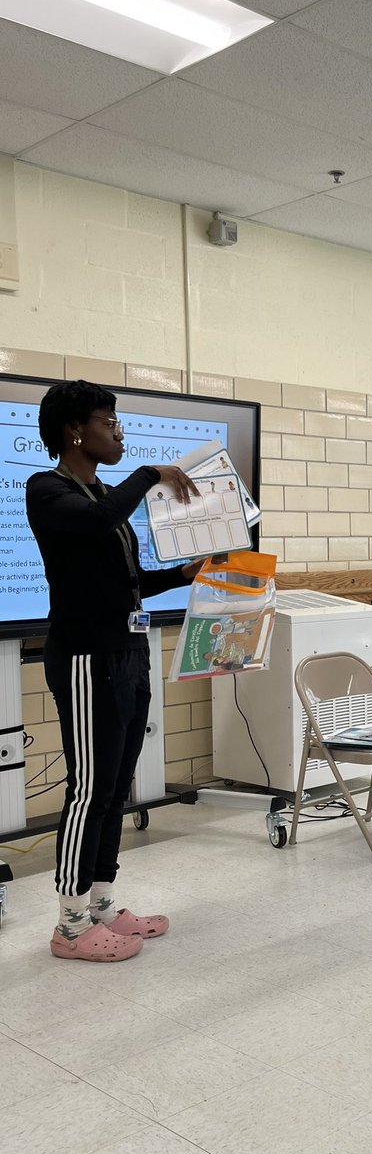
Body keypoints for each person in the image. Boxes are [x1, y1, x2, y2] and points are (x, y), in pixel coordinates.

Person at [26, 379, 204, 962]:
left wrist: (183, 575)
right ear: (76, 431)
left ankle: (101, 900)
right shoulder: (49, 490)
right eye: (108, 421)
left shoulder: (100, 495)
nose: (117, 432)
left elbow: (129, 582)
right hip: (85, 657)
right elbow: (101, 519)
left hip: (128, 652)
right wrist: (152, 473)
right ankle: (70, 924)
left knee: (115, 782)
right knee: (89, 789)